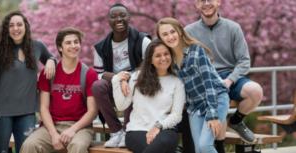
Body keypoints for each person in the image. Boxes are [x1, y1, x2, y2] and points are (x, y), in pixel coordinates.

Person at [185, 0, 263, 148]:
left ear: (218, 2)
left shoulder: (233, 28)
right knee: (220, 101)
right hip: (206, 79)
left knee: (256, 91)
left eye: (210, 0)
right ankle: (219, 147)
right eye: (202, 1)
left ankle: (236, 121)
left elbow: (244, 61)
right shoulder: (189, 31)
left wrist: (230, 80)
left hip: (230, 76)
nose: (206, 3)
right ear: (196, 5)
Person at [156, 17, 229, 153]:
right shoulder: (169, 61)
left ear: (180, 32)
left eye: (172, 32)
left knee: (205, 146)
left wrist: (213, 115)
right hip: (195, 107)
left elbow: (209, 84)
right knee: (198, 150)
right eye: (165, 34)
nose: (170, 37)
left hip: (215, 100)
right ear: (161, 38)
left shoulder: (196, 51)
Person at [20, 27, 98, 153]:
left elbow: (92, 111)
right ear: (60, 48)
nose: (73, 46)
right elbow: (43, 108)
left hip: (80, 127)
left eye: (76, 42)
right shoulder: (49, 73)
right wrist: (53, 134)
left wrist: (73, 129)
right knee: (30, 145)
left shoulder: (89, 74)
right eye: (68, 43)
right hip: (52, 126)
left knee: (77, 146)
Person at [0, 11, 56, 153]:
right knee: (0, 150)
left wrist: (51, 60)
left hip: (27, 112)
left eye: (19, 24)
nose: (16, 28)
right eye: (11, 25)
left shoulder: (37, 46)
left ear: (26, 27)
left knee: (26, 149)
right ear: (6, 29)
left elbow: (52, 58)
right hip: (1, 112)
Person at [92, 3, 151, 147]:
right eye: (114, 16)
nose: (118, 19)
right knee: (97, 86)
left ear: (129, 17)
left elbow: (150, 68)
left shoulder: (143, 40)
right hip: (114, 87)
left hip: (140, 88)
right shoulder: (100, 47)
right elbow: (98, 74)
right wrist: (117, 78)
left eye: (122, 15)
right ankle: (116, 131)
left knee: (135, 82)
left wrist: (128, 78)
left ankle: (127, 131)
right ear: (108, 20)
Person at [112, 39, 185, 153]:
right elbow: (121, 106)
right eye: (158, 55)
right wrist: (116, 80)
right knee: (159, 148)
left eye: (166, 54)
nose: (163, 58)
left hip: (164, 130)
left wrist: (158, 127)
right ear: (150, 59)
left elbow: (176, 115)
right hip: (137, 131)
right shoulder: (137, 77)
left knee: (164, 142)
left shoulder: (177, 82)